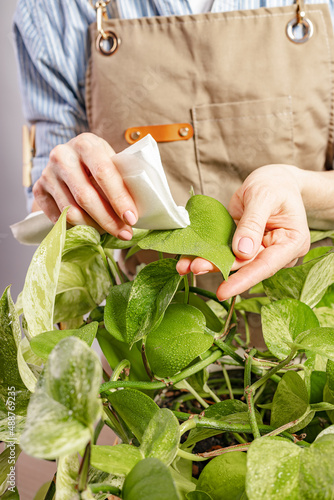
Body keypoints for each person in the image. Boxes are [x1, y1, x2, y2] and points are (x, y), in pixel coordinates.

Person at [13, 0, 334, 301]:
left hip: (312, 348)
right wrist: (62, 191)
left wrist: (299, 188)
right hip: (143, 349)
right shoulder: (52, 9)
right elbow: (48, 223)